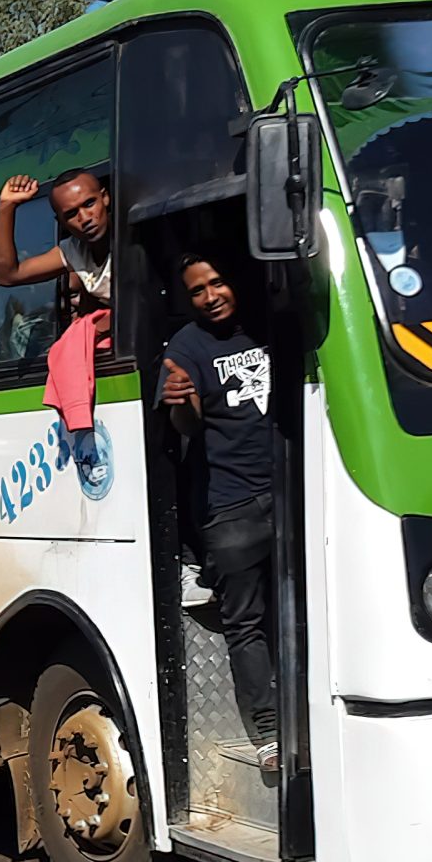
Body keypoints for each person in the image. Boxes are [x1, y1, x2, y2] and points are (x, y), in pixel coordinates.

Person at [161, 255, 278, 771]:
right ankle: (270, 734)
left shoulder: (271, 325)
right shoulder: (187, 346)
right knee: (245, 622)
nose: (211, 296)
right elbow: (188, 427)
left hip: (290, 493)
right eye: (197, 291)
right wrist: (180, 402)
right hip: (230, 506)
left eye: (217, 282)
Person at [0, 167, 114, 316]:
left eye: (89, 204)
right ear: (61, 223)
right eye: (71, 214)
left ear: (105, 198)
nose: (85, 218)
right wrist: (6, 206)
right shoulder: (74, 249)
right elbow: (7, 275)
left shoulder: (136, 233)